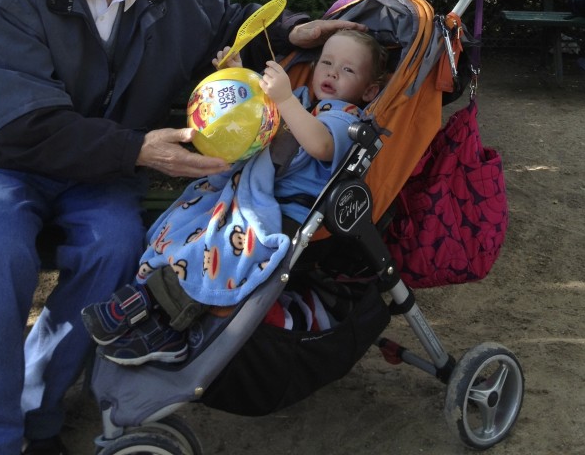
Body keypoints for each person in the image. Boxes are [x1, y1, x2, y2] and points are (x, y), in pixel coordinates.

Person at [0, 0, 364, 455]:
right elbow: (26, 127)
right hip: (6, 162)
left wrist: (296, 32)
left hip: (101, 172)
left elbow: (230, 20)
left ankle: (39, 412)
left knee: (115, 245)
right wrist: (137, 150)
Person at [81, 28, 386, 365]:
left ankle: (160, 323)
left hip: (281, 213)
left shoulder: (346, 119)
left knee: (217, 251)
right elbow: (257, 113)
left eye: (348, 70)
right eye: (326, 62)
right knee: (188, 224)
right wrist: (240, 75)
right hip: (245, 194)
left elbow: (319, 144)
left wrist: (283, 99)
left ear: (369, 90)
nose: (332, 72)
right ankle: (151, 303)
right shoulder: (298, 99)